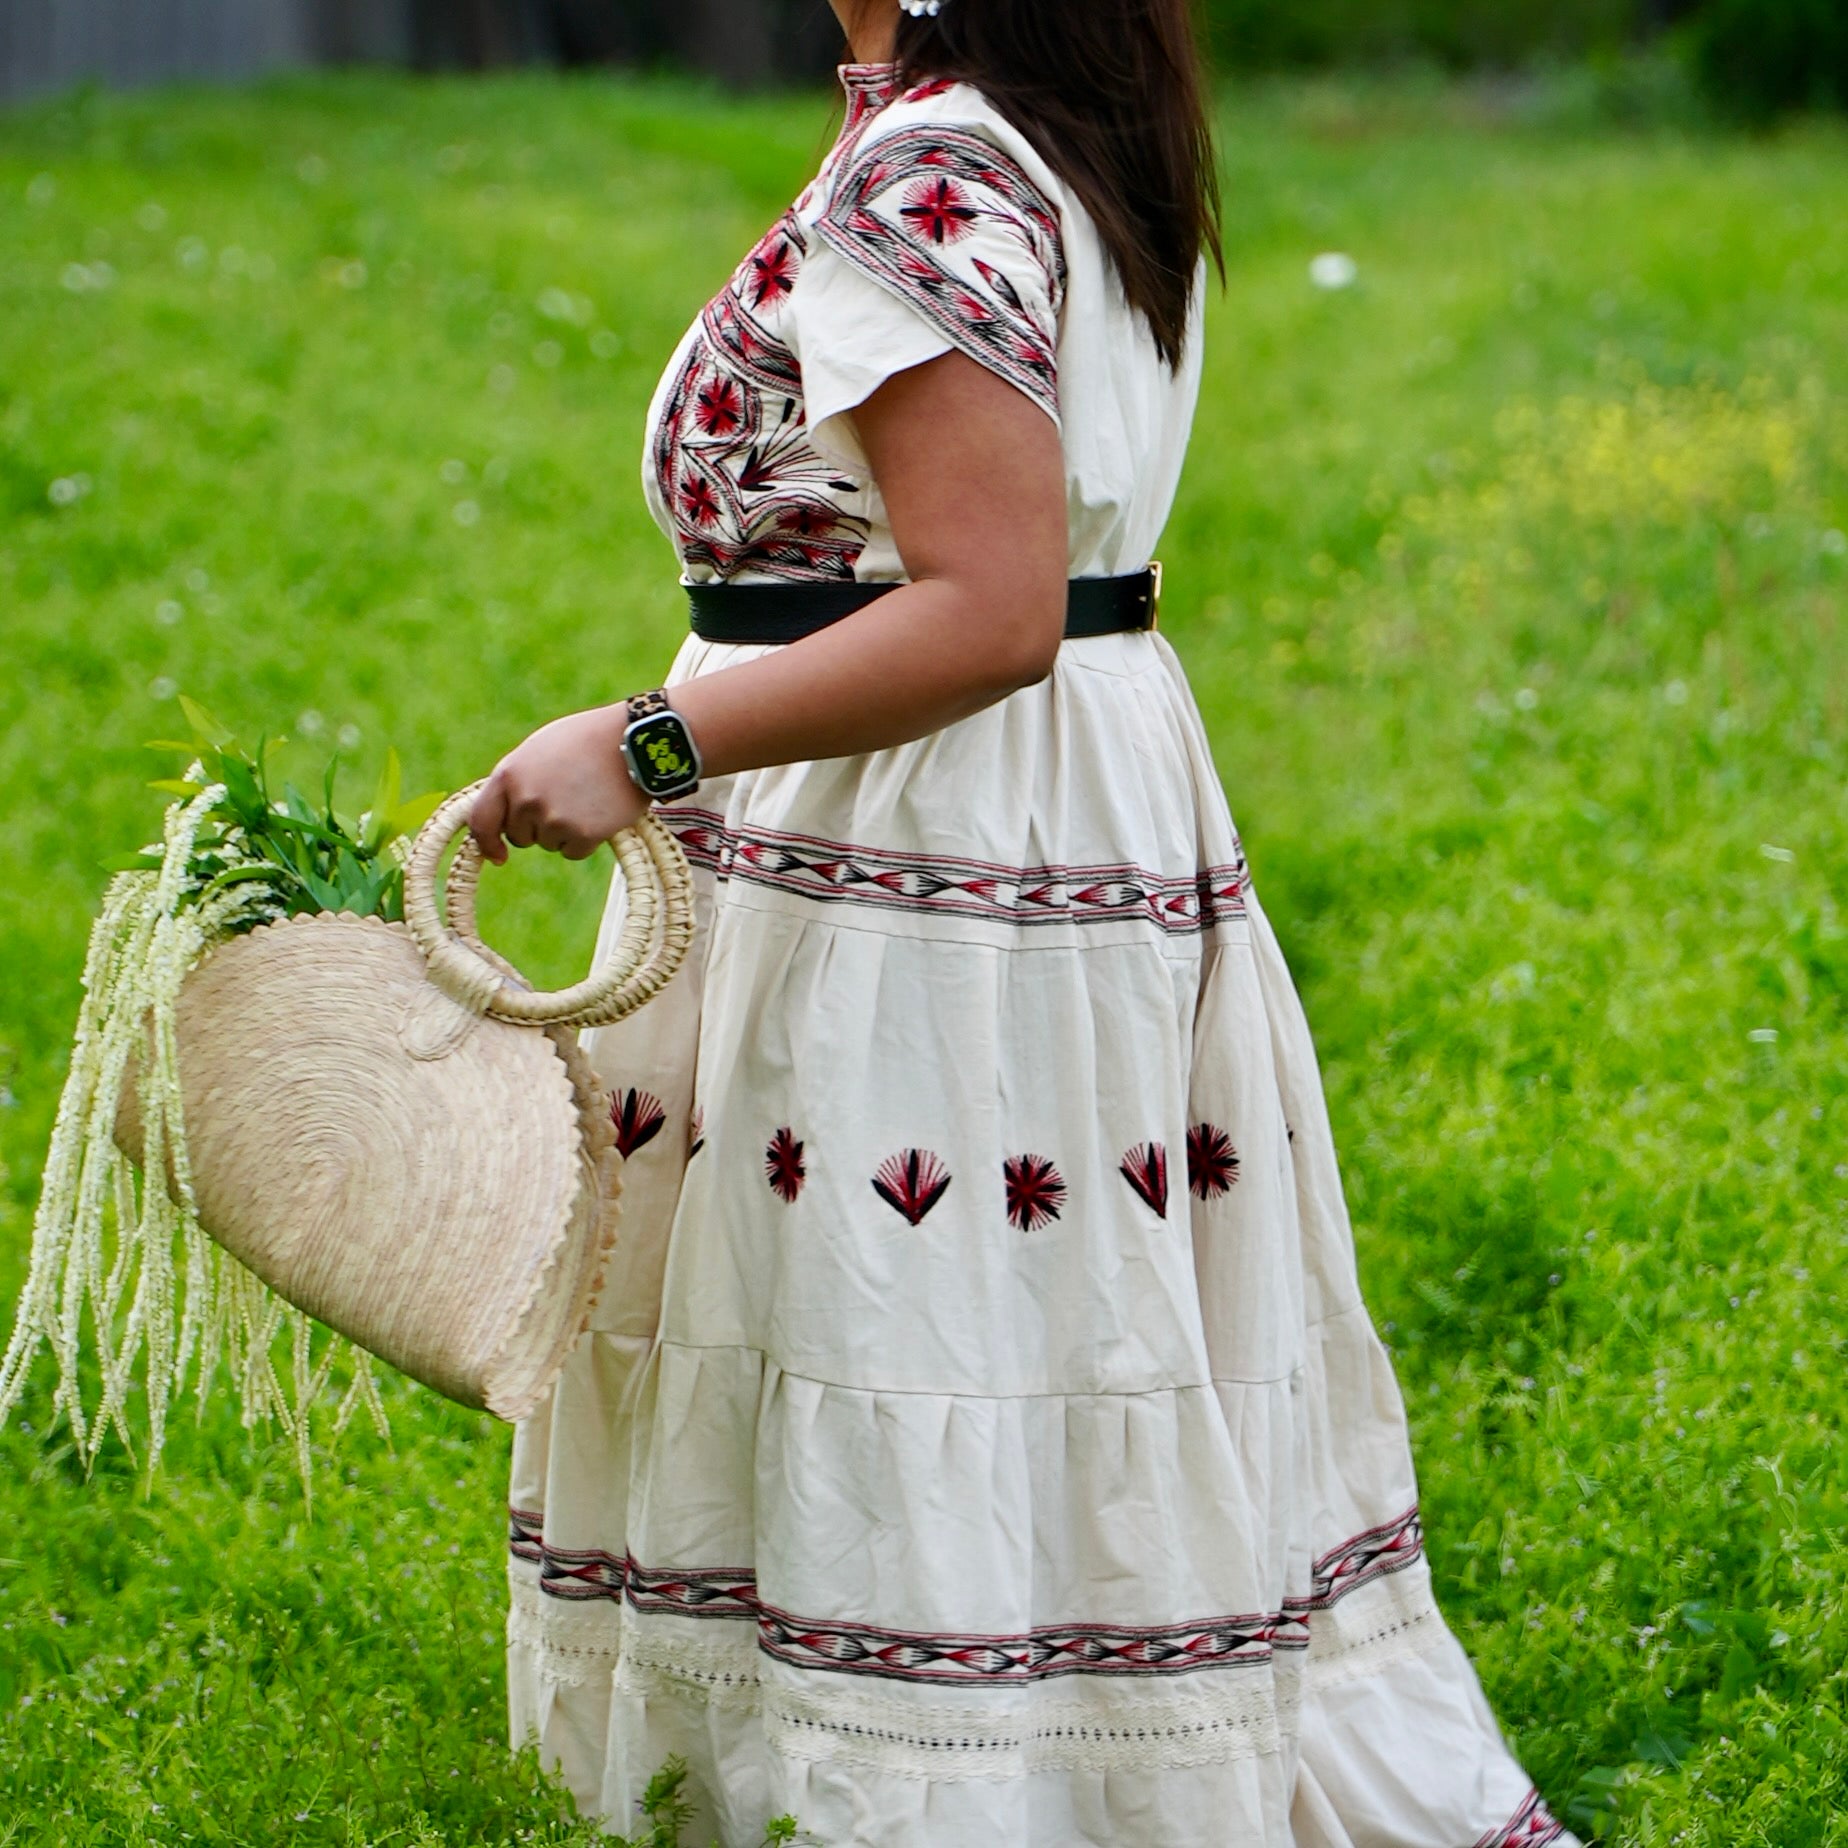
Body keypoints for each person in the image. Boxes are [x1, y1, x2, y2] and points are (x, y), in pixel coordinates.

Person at [468, 1, 1576, 1842]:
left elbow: (990, 609)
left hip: (934, 824)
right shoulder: (1057, 131)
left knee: (931, 1309)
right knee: (1024, 1304)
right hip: (1030, 802)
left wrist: (646, 745)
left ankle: (951, 1797)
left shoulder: (940, 165)